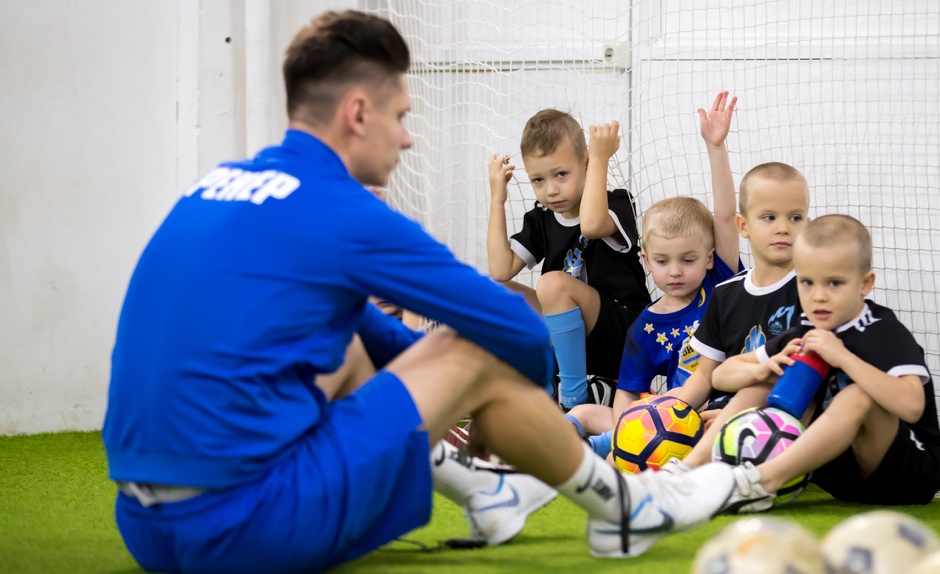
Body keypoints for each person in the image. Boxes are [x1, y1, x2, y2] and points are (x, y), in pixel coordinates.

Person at [102, 10, 736, 572]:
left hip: (144, 528)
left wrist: (455, 387)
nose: (408, 137)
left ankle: (485, 491)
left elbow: (377, 340)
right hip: (246, 530)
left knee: (355, 339)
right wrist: (487, 391)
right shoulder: (342, 209)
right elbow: (511, 330)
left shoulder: (216, 189)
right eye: (401, 117)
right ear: (357, 114)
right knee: (477, 348)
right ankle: (623, 507)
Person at [707, 215, 940, 510]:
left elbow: (912, 406)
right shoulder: (806, 329)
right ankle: (690, 471)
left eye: (834, 283)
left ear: (865, 284)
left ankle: (761, 482)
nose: (819, 296)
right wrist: (761, 368)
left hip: (908, 475)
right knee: (767, 378)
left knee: (858, 395)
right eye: (807, 282)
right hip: (842, 476)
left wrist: (843, 358)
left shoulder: (881, 329)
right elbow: (721, 376)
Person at [564, 93, 742, 456]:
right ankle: (558, 444)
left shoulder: (720, 282)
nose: (674, 271)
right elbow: (628, 392)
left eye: (688, 260)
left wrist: (716, 147)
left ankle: (600, 450)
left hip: (719, 411)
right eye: (662, 261)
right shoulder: (645, 325)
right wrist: (629, 432)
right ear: (646, 260)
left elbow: (724, 217)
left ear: (709, 258)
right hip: (668, 419)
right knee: (582, 410)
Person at [487, 113, 650, 410]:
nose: (551, 189)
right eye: (538, 179)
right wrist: (497, 199)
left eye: (561, 174)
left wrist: (601, 158)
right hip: (577, 340)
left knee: (552, 284)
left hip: (627, 335)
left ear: (585, 164)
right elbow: (501, 270)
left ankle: (573, 396)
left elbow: (590, 225)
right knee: (493, 288)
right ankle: (545, 379)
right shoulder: (541, 218)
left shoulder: (617, 203)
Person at [667, 161, 811, 441]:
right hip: (719, 410)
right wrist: (675, 416)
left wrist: (734, 415)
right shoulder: (725, 294)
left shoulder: (813, 292)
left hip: (778, 417)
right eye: (769, 217)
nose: (783, 228)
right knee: (662, 409)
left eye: (795, 217)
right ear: (742, 226)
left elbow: (804, 381)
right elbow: (706, 375)